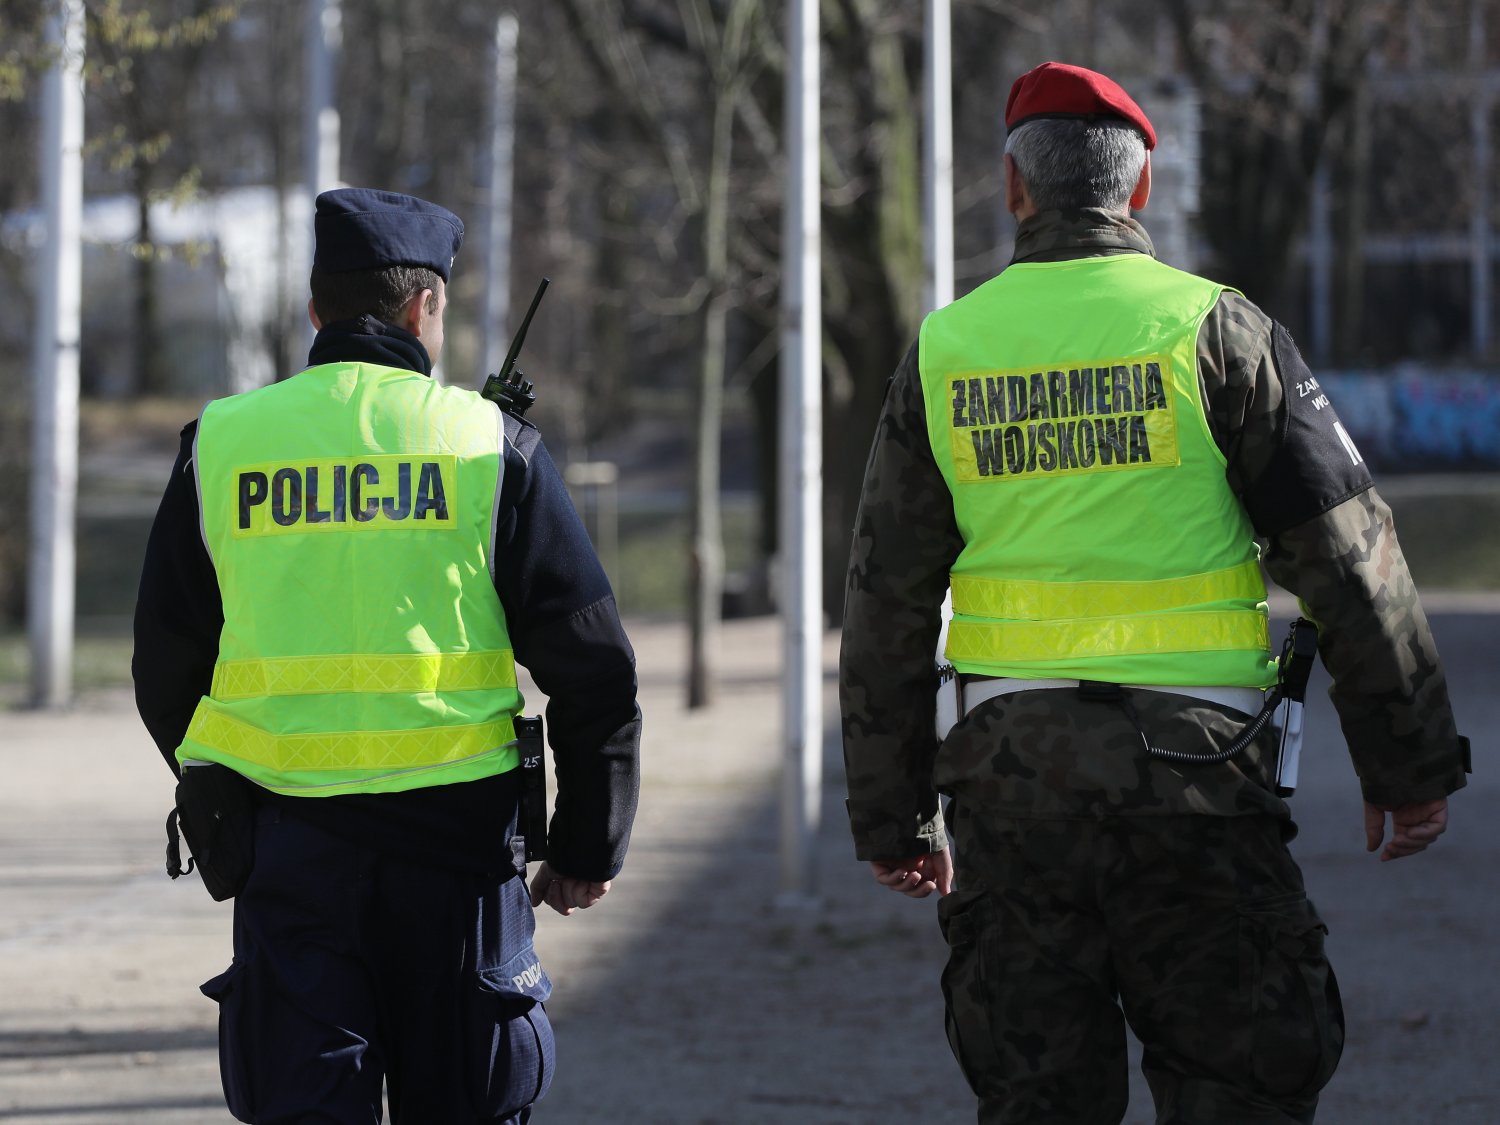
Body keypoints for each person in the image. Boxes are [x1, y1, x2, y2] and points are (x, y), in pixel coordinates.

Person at [839, 61, 1471, 1125]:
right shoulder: (1219, 330)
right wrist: (1409, 764)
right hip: (1200, 778)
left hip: (1011, 785)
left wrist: (889, 815)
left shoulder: (947, 351)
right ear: (1137, 192)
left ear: (1013, 188)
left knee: (1038, 1098)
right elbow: (1350, 557)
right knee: (1241, 1087)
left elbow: (884, 598)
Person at [133, 187, 641, 1124]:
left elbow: (164, 664)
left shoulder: (223, 444)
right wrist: (585, 842)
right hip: (459, 862)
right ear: (425, 308)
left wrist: (218, 788)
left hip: (287, 853)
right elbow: (593, 665)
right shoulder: (491, 447)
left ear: (316, 310)